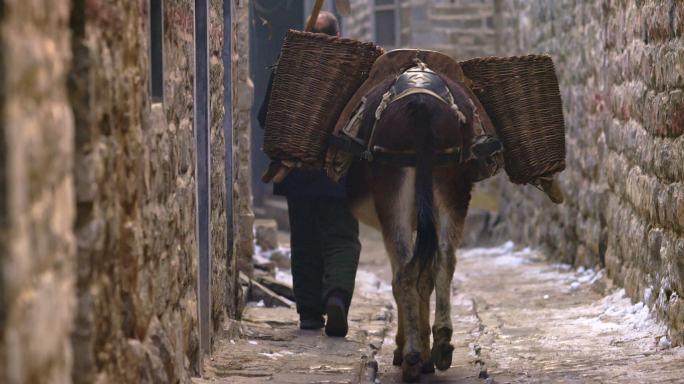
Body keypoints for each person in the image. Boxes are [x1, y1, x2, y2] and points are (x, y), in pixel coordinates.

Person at [257, 11, 361, 338]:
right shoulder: (353, 71)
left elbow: (264, 117)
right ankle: (336, 296)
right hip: (338, 174)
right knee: (341, 238)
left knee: (303, 243)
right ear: (338, 36)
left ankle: (310, 316)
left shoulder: (289, 69)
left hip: (297, 174)